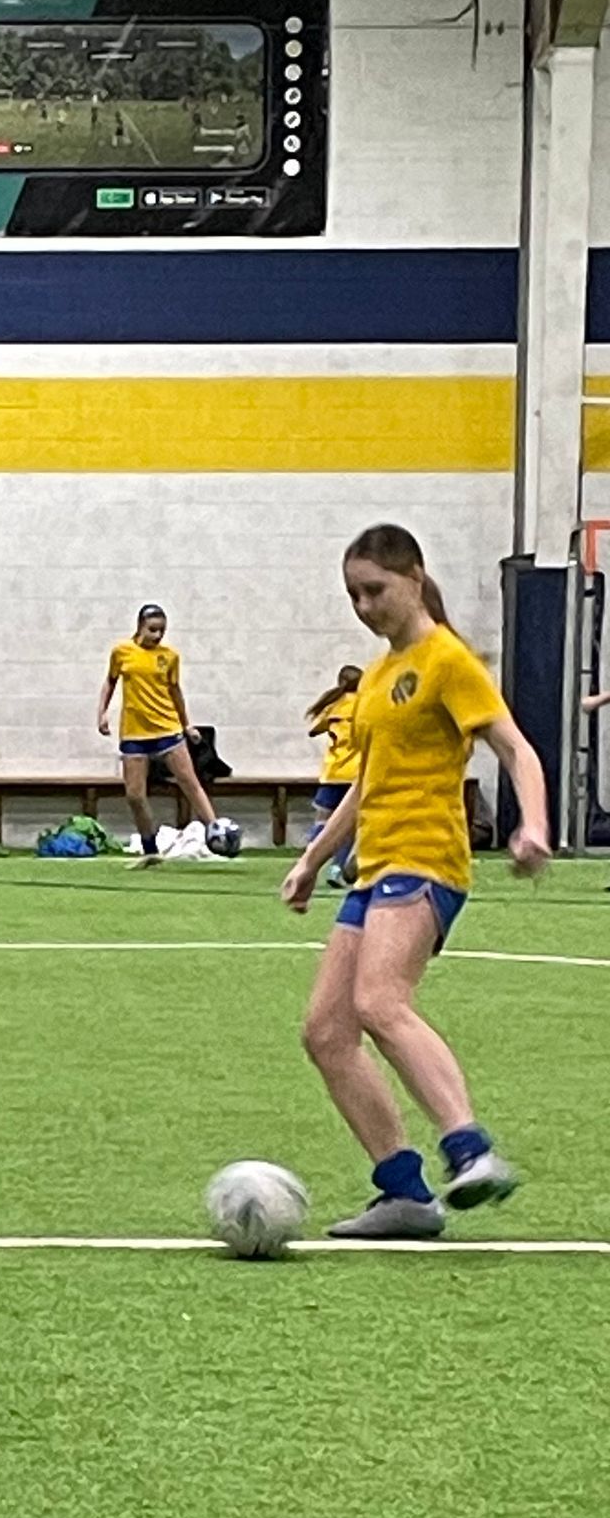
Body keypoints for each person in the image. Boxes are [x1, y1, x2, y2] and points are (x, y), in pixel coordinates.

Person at [283, 524, 551, 1240]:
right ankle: (404, 1192)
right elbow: (365, 783)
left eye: (375, 590)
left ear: (413, 578)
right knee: (326, 1033)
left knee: (379, 1001)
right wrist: (312, 859)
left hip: (427, 859)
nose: (364, 606)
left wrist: (533, 825)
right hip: (374, 867)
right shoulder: (377, 676)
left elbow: (516, 748)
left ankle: (472, 1150)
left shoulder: (447, 660)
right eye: (353, 595)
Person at [97, 604, 222, 863]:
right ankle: (149, 847)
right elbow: (110, 681)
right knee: (134, 795)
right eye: (152, 630)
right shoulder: (122, 652)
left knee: (189, 782)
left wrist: (186, 725)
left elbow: (175, 691)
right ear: (140, 627)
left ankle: (217, 833)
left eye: (162, 631)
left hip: (167, 728)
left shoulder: (169, 656)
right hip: (134, 733)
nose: (157, 636)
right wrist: (102, 712)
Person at [306, 662, 363, 887]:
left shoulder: (333, 706)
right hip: (356, 773)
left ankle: (309, 859)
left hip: (333, 772)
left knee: (323, 819)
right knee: (349, 824)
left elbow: (314, 730)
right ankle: (337, 868)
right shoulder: (365, 705)